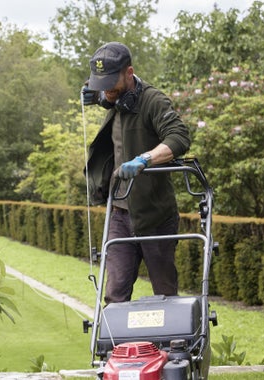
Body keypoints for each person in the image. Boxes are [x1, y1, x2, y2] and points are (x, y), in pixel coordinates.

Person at [82, 42, 191, 304]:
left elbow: (179, 137)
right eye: (101, 83)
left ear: (129, 73)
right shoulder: (113, 97)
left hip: (155, 216)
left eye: (111, 83)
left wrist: (145, 159)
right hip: (119, 215)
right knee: (115, 294)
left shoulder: (153, 101)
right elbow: (108, 96)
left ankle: (170, 344)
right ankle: (118, 346)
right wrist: (97, 96)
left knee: (165, 294)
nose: (106, 90)